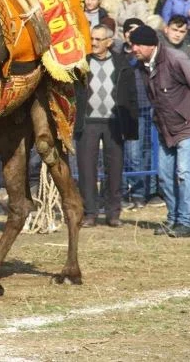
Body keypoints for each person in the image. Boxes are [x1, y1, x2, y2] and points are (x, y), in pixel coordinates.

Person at [130, 24, 190, 238]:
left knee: (185, 173)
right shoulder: (142, 65)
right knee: (164, 176)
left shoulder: (176, 59)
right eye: (133, 44)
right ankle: (173, 219)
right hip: (166, 127)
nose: (134, 48)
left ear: (151, 46)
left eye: (138, 45)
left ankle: (186, 223)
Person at [75, 24, 138, 228]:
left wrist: (131, 127)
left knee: (115, 169)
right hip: (87, 123)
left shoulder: (123, 64)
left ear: (109, 42)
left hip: (114, 124)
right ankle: (90, 213)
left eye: (98, 39)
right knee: (86, 170)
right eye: (92, 38)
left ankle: (113, 214)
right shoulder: (81, 63)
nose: (93, 42)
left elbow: (131, 97)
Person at [117, 18, 160, 209]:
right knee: (132, 153)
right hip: (128, 110)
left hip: (148, 106)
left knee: (147, 153)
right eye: (129, 31)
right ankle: (135, 192)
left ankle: (146, 192)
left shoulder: (145, 56)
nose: (132, 35)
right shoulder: (119, 54)